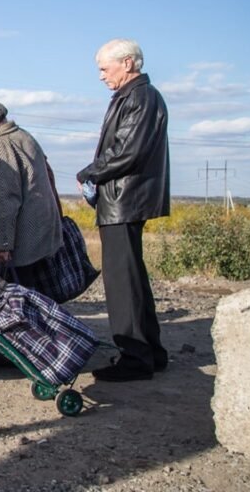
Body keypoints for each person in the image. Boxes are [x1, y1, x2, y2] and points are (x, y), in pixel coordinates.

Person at [77, 38, 170, 382]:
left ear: (128, 63)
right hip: (124, 199)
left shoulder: (139, 97)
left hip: (124, 200)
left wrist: (89, 173)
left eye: (104, 68)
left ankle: (135, 357)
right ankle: (151, 353)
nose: (101, 76)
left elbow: (127, 151)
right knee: (131, 276)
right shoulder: (135, 97)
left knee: (122, 281)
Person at [0, 98, 63, 366]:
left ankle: (20, 355)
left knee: (14, 303)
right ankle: (44, 351)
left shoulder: (0, 146)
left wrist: (3, 245)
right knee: (36, 300)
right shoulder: (22, 136)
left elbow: (3, 201)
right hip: (39, 236)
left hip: (21, 241)